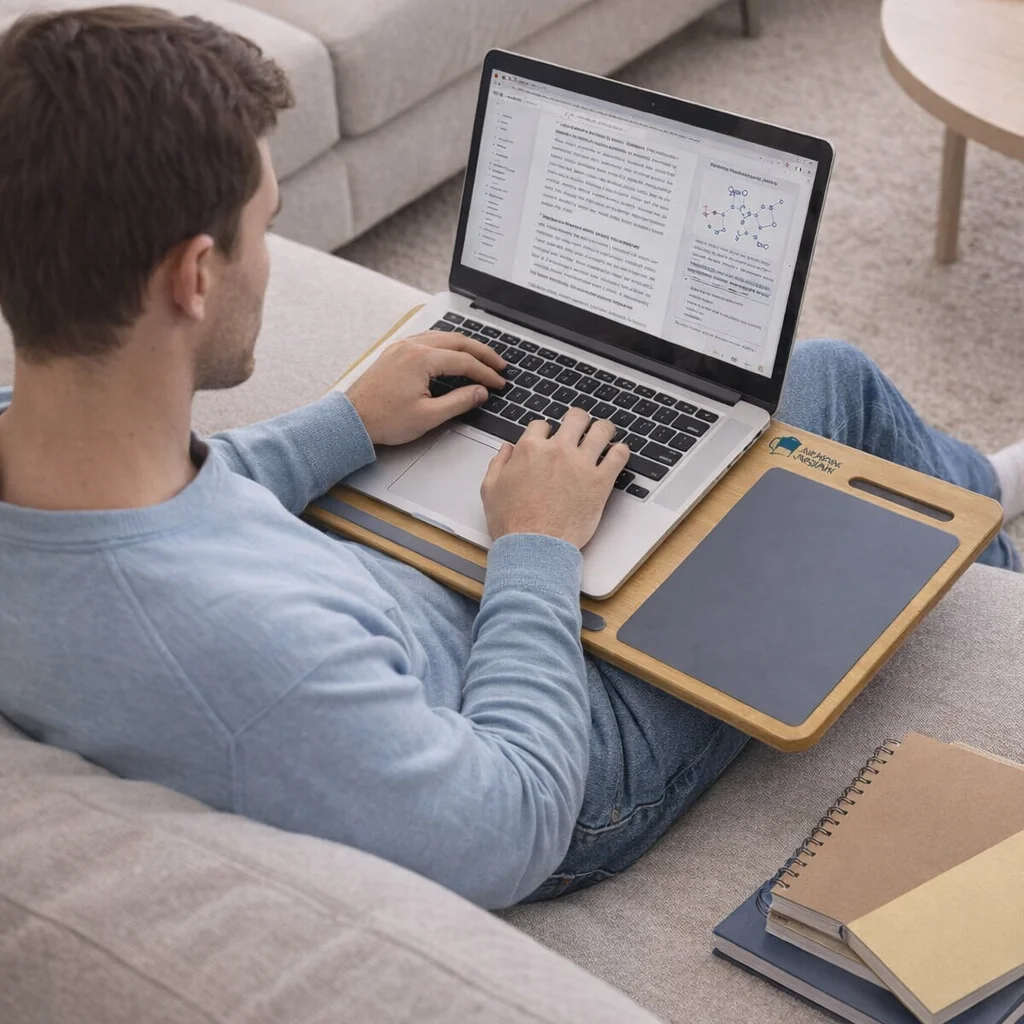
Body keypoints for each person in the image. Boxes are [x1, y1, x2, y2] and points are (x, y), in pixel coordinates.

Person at [0, 8, 1020, 911]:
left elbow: (180, 498)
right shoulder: (250, 657)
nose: (269, 259)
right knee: (829, 386)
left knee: (758, 424)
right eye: (266, 226)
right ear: (193, 276)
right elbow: (515, 819)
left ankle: (985, 509)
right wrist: (535, 548)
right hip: (562, 757)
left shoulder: (40, 441)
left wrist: (346, 421)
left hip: (410, 623)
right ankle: (999, 547)